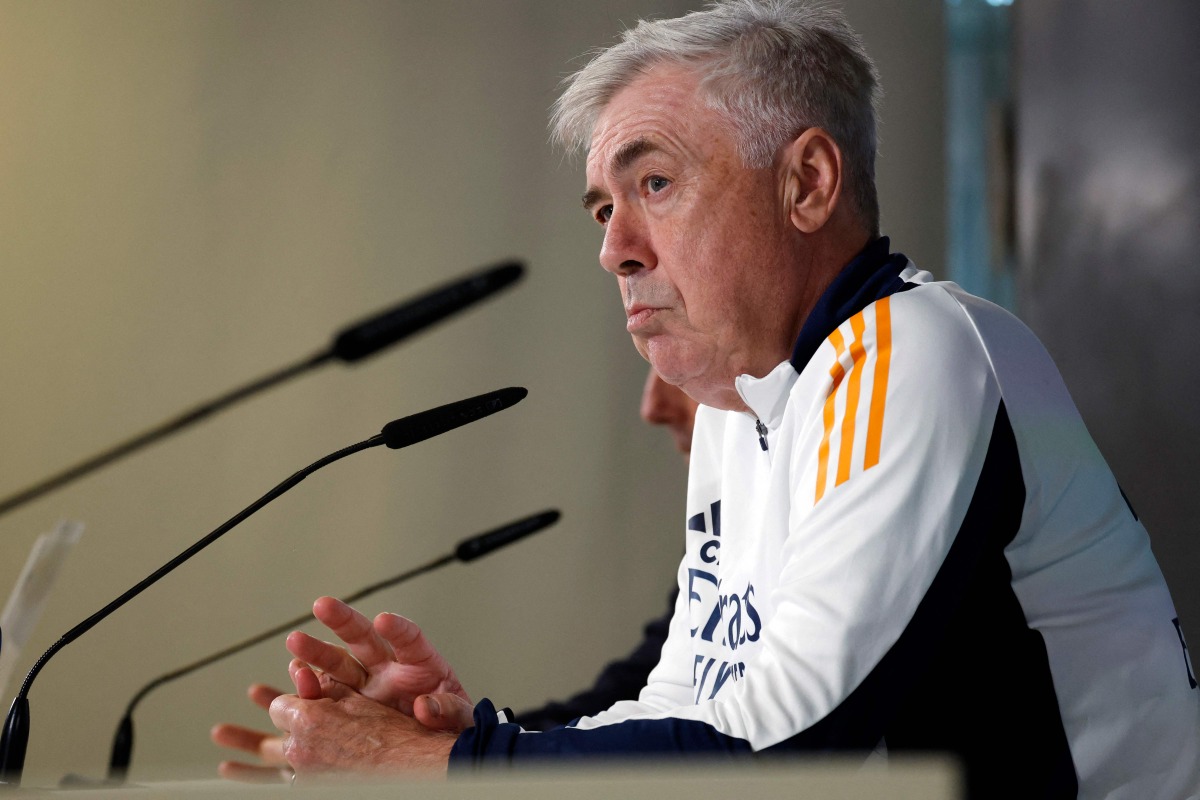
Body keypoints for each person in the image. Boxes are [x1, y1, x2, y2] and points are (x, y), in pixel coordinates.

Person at [265, 1, 1200, 796]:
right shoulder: (737, 399)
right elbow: (693, 703)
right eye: (604, 207)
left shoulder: (908, 348)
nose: (615, 248)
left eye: (656, 183)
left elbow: (786, 748)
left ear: (808, 183)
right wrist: (479, 739)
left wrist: (450, 764)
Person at [210, 367, 697, 780]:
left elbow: (742, 738)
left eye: (677, 370)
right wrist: (436, 739)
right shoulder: (722, 528)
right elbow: (634, 699)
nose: (653, 407)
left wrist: (410, 754)